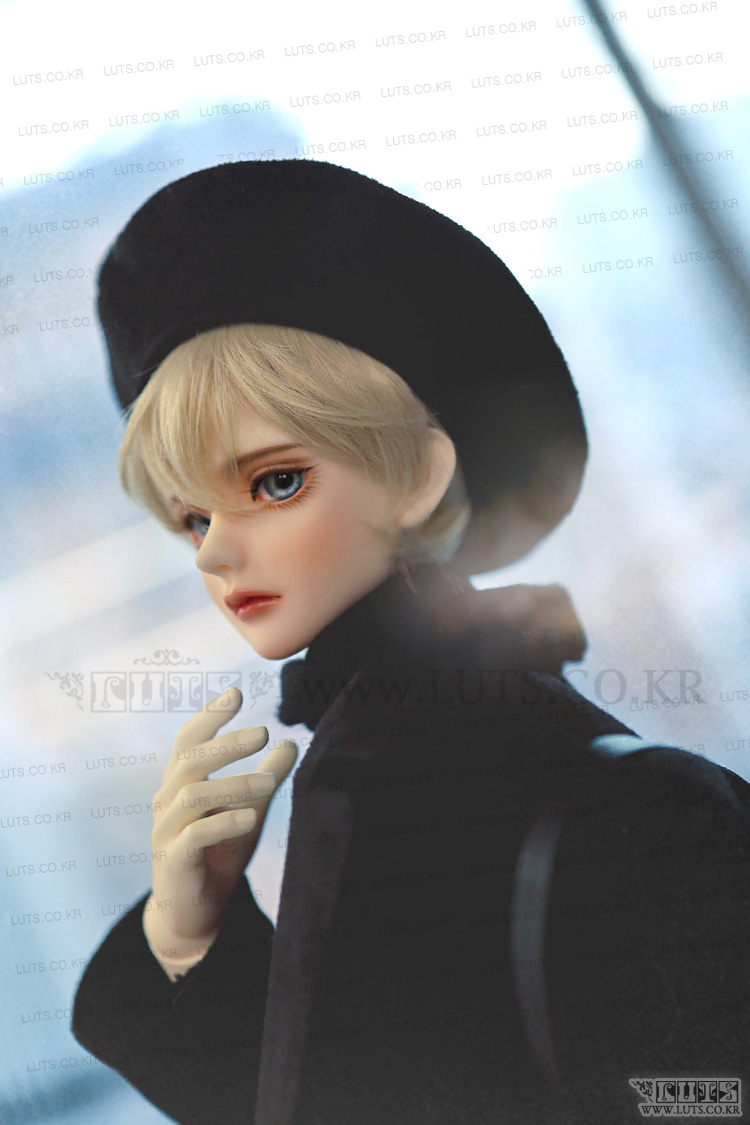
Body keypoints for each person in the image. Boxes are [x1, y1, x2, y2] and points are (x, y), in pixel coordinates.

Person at [72, 160, 750, 1125]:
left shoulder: (471, 758)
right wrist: (190, 943)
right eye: (192, 518)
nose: (216, 550)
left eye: (273, 482)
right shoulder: (383, 747)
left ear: (419, 474)